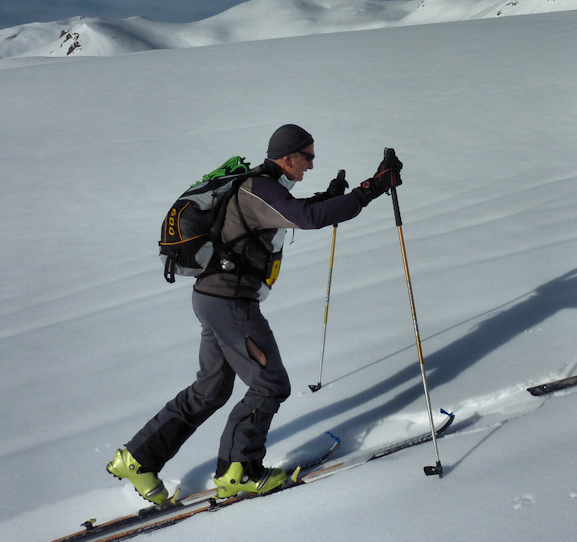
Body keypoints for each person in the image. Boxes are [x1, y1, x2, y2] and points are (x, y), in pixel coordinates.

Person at [107, 124, 402, 503]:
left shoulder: (262, 188)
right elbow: (307, 218)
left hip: (214, 297)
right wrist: (372, 188)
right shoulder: (258, 187)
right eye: (308, 156)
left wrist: (328, 198)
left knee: (210, 389)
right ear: (288, 156)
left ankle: (137, 458)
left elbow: (295, 213)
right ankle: (239, 471)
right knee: (270, 384)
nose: (312, 164)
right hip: (231, 302)